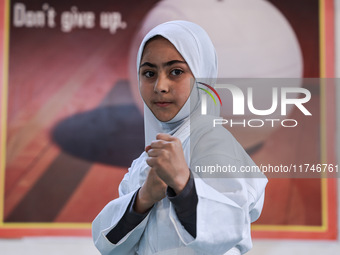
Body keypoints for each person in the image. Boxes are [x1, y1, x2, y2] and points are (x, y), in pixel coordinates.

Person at [92, 20, 267, 255]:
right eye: (149, 73)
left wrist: (184, 186)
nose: (160, 86)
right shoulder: (147, 159)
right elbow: (107, 244)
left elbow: (229, 232)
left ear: (202, 78)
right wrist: (143, 198)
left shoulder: (214, 144)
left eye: (176, 72)